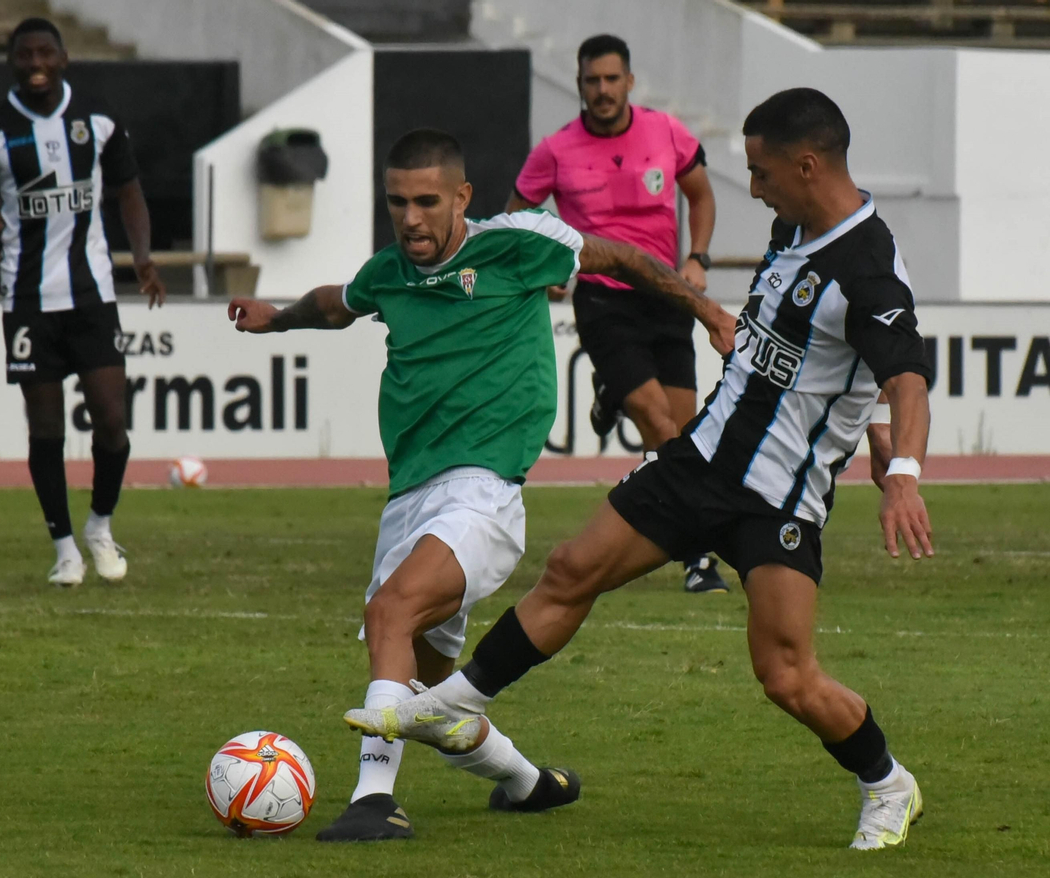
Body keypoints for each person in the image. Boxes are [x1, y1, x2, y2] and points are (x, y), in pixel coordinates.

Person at [346, 89, 935, 852]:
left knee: (786, 676)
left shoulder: (871, 271)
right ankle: (458, 703)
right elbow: (837, 367)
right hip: (699, 459)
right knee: (572, 568)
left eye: (761, 174)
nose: (754, 190)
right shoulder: (794, 225)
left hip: (777, 496)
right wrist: (871, 426)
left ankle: (887, 782)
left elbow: (904, 378)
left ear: (807, 165)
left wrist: (902, 470)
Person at [230, 129, 734, 842]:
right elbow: (337, 303)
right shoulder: (389, 272)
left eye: (427, 201)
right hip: (408, 501)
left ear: (462, 197)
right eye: (397, 202)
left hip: (481, 493)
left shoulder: (516, 245)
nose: (410, 218)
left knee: (390, 613)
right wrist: (276, 319)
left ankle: (374, 801)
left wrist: (710, 312)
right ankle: (528, 784)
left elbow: (621, 256)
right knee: (433, 700)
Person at [508, 35, 728, 594]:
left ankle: (612, 393)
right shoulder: (555, 150)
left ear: (629, 81)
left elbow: (702, 196)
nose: (602, 90)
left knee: (683, 435)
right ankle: (697, 556)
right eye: (592, 81)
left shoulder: (667, 132)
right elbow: (516, 220)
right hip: (603, 299)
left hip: (667, 294)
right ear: (579, 85)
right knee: (657, 422)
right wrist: (540, 269)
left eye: (611, 79)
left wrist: (698, 258)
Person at [0, 17, 165, 586]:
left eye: (45, 53)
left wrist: (143, 260)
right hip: (28, 300)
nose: (36, 63)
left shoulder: (97, 119)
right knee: (46, 427)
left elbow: (129, 192)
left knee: (111, 418)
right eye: (25, 54)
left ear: (63, 58)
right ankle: (64, 548)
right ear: (12, 61)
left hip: (92, 293)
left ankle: (100, 525)